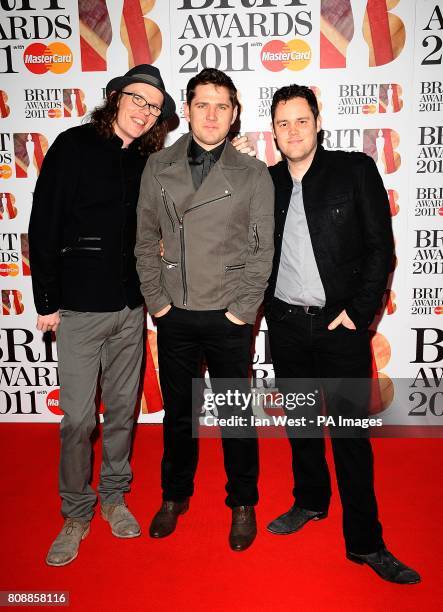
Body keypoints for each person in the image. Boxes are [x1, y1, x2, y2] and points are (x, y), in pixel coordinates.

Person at [264, 84, 420, 584]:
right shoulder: (265, 183)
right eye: (282, 123)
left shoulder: (353, 171)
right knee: (302, 428)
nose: (292, 131)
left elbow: (380, 249)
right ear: (273, 131)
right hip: (286, 326)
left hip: (339, 329)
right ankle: (309, 502)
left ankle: (366, 543)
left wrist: (358, 312)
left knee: (351, 439)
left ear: (317, 122)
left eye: (300, 120)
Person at [28, 64, 176, 566]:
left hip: (131, 310)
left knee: (121, 415)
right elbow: (44, 223)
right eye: (137, 98)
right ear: (115, 98)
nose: (144, 110)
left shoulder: (148, 161)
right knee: (75, 420)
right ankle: (76, 510)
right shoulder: (72, 145)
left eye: (154, 106)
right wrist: (46, 301)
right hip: (78, 309)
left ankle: (113, 497)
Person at [135, 68, 274, 551]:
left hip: (228, 314)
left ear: (234, 115)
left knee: (236, 415)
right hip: (176, 312)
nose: (211, 115)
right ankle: (174, 495)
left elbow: (262, 251)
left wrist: (241, 311)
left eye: (222, 106)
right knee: (178, 414)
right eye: (202, 104)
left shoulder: (253, 172)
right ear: (187, 110)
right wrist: (158, 304)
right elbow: (143, 240)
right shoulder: (157, 166)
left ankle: (242, 501)